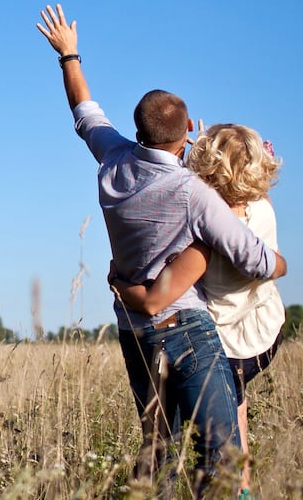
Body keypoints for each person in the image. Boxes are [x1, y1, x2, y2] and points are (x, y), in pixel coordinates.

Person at [35, 3, 287, 498]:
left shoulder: (113, 160)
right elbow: (254, 259)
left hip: (135, 332)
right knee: (222, 454)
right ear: (188, 128)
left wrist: (69, 55)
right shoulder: (196, 195)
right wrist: (281, 261)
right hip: (187, 331)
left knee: (159, 452)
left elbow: (85, 112)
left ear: (138, 128)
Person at [112, 123, 286, 496]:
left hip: (226, 343)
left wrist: (122, 285)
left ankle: (236, 491)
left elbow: (156, 299)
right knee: (236, 409)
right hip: (265, 333)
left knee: (186, 436)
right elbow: (241, 190)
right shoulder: (263, 209)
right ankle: (240, 488)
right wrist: (282, 265)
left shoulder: (207, 234)